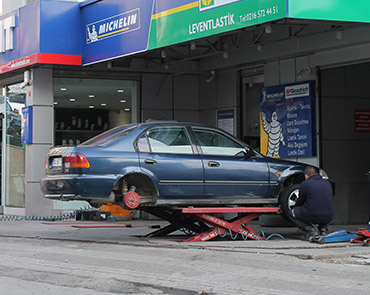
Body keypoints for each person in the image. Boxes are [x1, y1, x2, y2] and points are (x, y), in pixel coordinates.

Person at [288, 166, 334, 240]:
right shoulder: (327, 183)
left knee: (291, 213)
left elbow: (300, 200)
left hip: (313, 213)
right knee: (322, 208)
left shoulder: (305, 184)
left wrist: (296, 208)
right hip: (329, 215)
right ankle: (323, 229)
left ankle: (310, 230)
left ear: (306, 176)